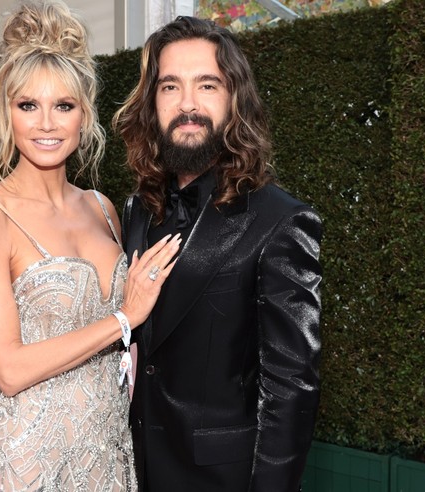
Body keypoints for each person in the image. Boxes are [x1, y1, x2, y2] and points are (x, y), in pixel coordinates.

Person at [0, 1, 180, 490]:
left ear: (84, 115)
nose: (46, 124)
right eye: (27, 105)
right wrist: (123, 317)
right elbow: (10, 371)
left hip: (107, 450)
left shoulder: (102, 207)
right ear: (6, 112)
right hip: (29, 458)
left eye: (63, 105)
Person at [113, 15, 323, 492]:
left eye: (207, 85)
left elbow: (292, 387)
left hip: (222, 478)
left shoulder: (282, 220)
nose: (187, 104)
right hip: (132, 468)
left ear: (234, 100)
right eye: (169, 87)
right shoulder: (136, 210)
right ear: (151, 104)